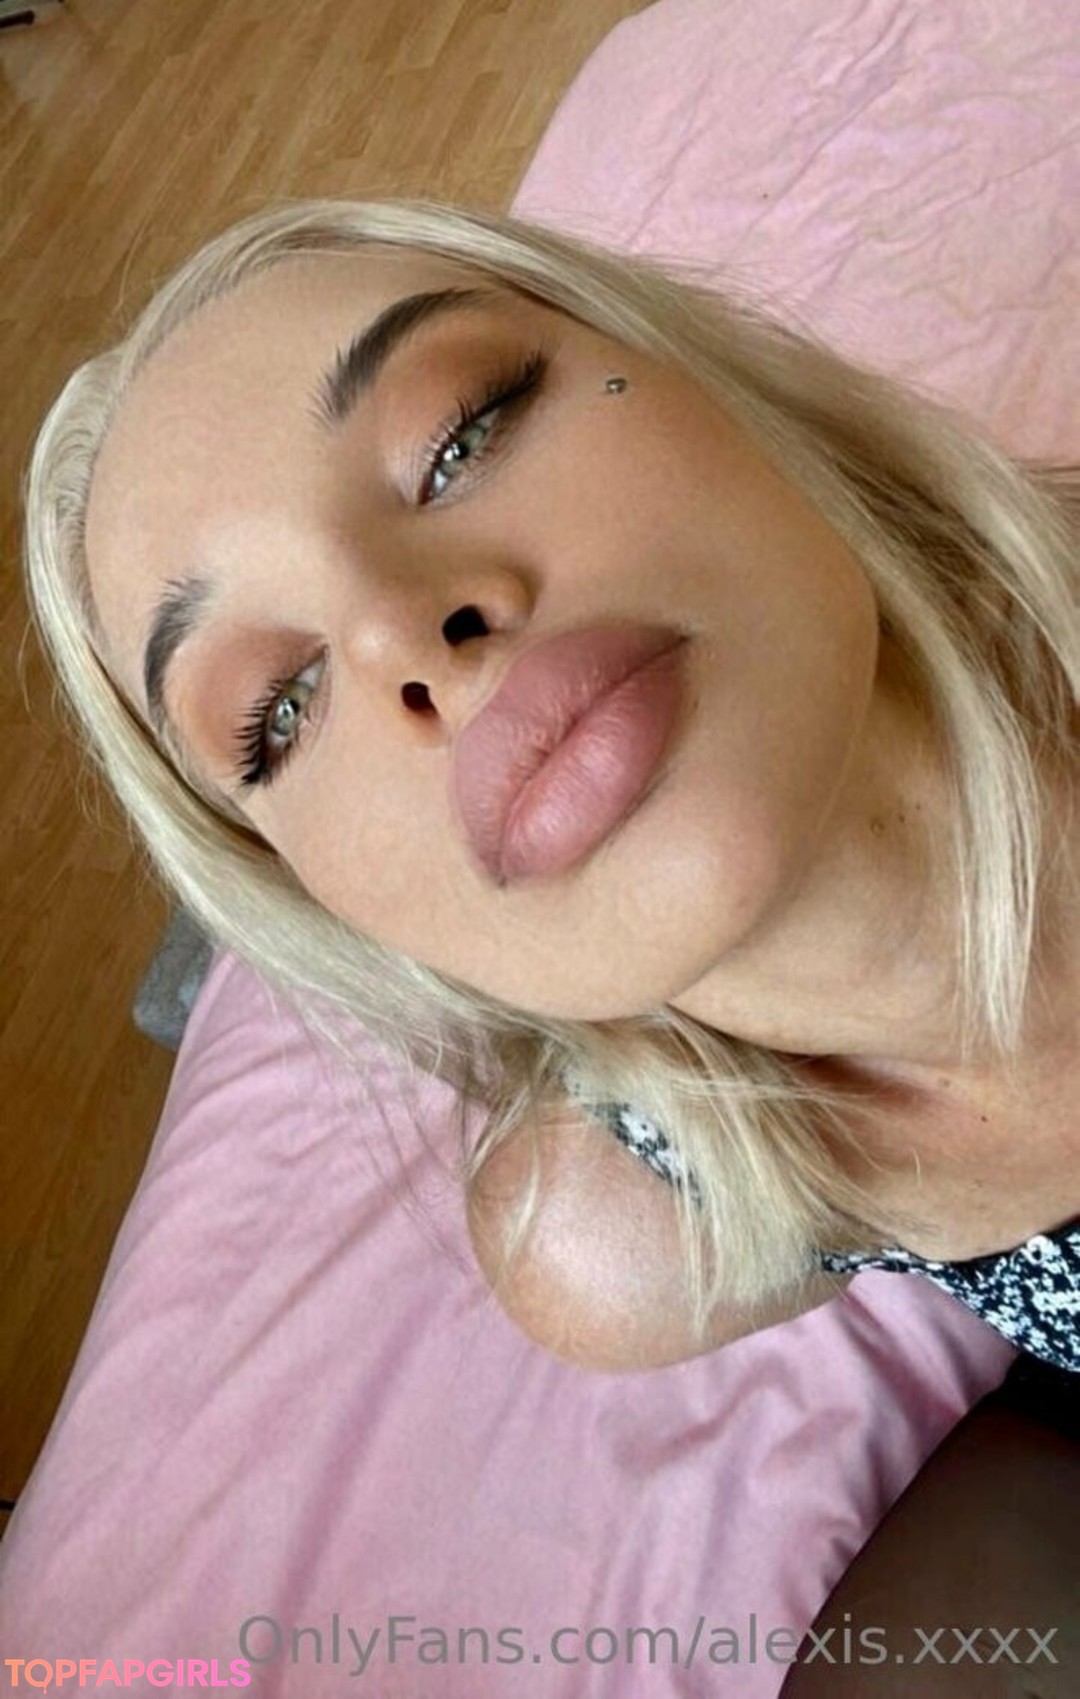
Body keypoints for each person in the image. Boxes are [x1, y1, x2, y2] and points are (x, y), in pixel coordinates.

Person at [23, 199, 1077, 1386]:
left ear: (697, 374)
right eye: (281, 709)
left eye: (461, 436)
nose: (401, 634)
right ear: (319, 904)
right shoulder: (613, 1245)